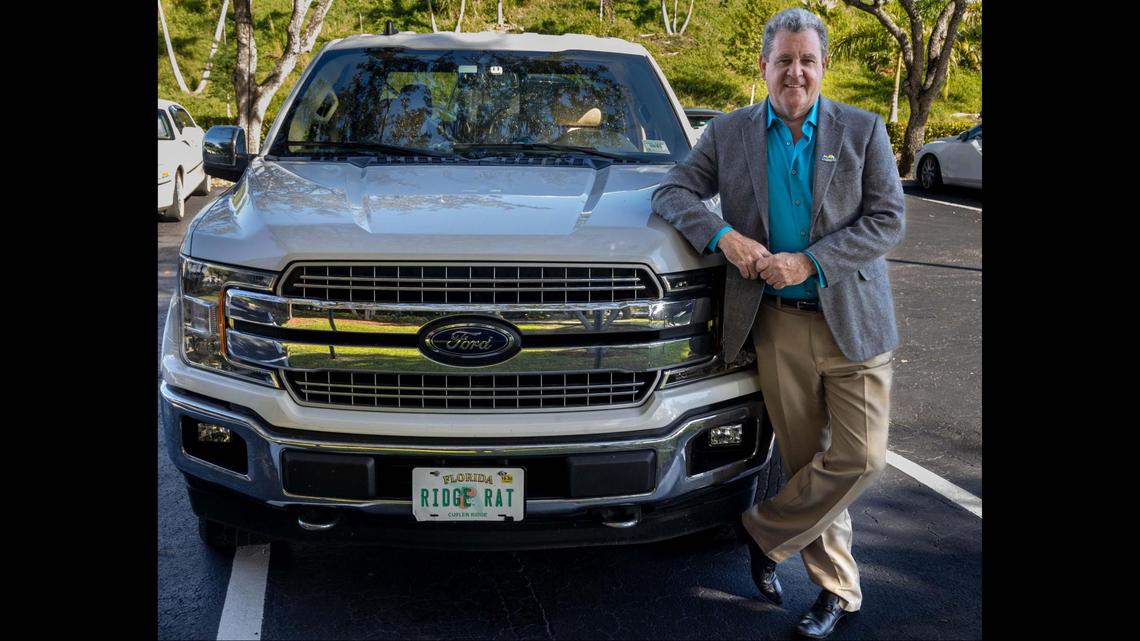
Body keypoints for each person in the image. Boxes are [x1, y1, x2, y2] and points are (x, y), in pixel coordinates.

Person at [651, 7, 904, 639]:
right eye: (784, 60)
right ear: (764, 66)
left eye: (807, 60)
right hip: (777, 326)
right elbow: (672, 192)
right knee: (805, 463)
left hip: (853, 319)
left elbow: (886, 220)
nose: (796, 72)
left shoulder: (863, 130)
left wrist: (811, 261)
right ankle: (836, 591)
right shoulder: (729, 134)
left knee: (860, 458)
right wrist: (725, 237)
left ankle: (764, 532)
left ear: (823, 67)